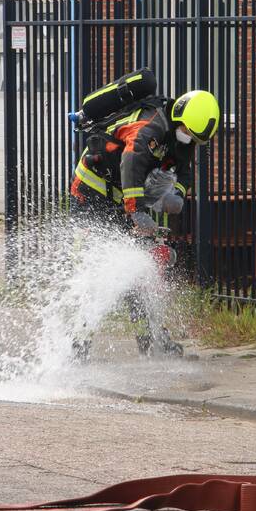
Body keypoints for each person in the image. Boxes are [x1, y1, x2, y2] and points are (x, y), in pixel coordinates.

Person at [69, 88, 220, 356]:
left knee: (137, 270)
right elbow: (131, 162)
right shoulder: (151, 126)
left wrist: (178, 195)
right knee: (97, 271)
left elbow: (184, 170)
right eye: (188, 132)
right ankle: (79, 343)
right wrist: (136, 211)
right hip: (92, 192)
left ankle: (150, 341)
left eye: (195, 139)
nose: (189, 139)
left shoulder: (182, 139)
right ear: (179, 116)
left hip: (122, 200)